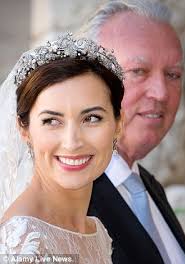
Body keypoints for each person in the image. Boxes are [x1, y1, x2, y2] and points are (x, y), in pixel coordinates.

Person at [0, 32, 124, 263]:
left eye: (92, 118)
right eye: (51, 121)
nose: (72, 142)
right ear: (23, 129)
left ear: (119, 123)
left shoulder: (95, 231)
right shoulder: (23, 245)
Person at [82, 0, 185, 263]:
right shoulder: (68, 203)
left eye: (173, 74)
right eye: (139, 71)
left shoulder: (150, 187)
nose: (161, 92)